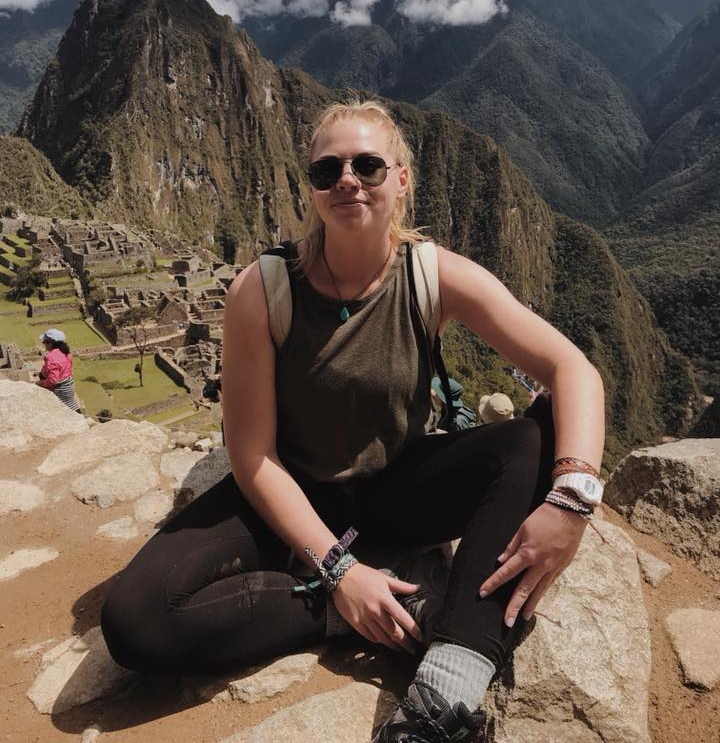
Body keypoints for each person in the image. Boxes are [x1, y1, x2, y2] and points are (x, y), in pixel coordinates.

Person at [101, 101, 606, 742]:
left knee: (530, 439)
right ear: (310, 186)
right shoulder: (263, 290)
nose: (347, 181)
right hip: (293, 489)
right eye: (328, 169)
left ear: (401, 180)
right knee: (136, 621)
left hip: (398, 485)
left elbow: (572, 369)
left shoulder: (432, 275)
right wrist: (340, 574)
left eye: (368, 166)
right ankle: (374, 609)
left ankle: (443, 699)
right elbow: (252, 455)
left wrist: (571, 501)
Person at [36, 328, 82, 413]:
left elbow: (53, 380)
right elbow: (68, 370)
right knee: (71, 405)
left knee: (64, 409)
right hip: (68, 386)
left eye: (44, 342)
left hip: (59, 389)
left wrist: (40, 383)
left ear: (50, 343)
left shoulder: (52, 357)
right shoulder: (65, 352)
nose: (44, 344)